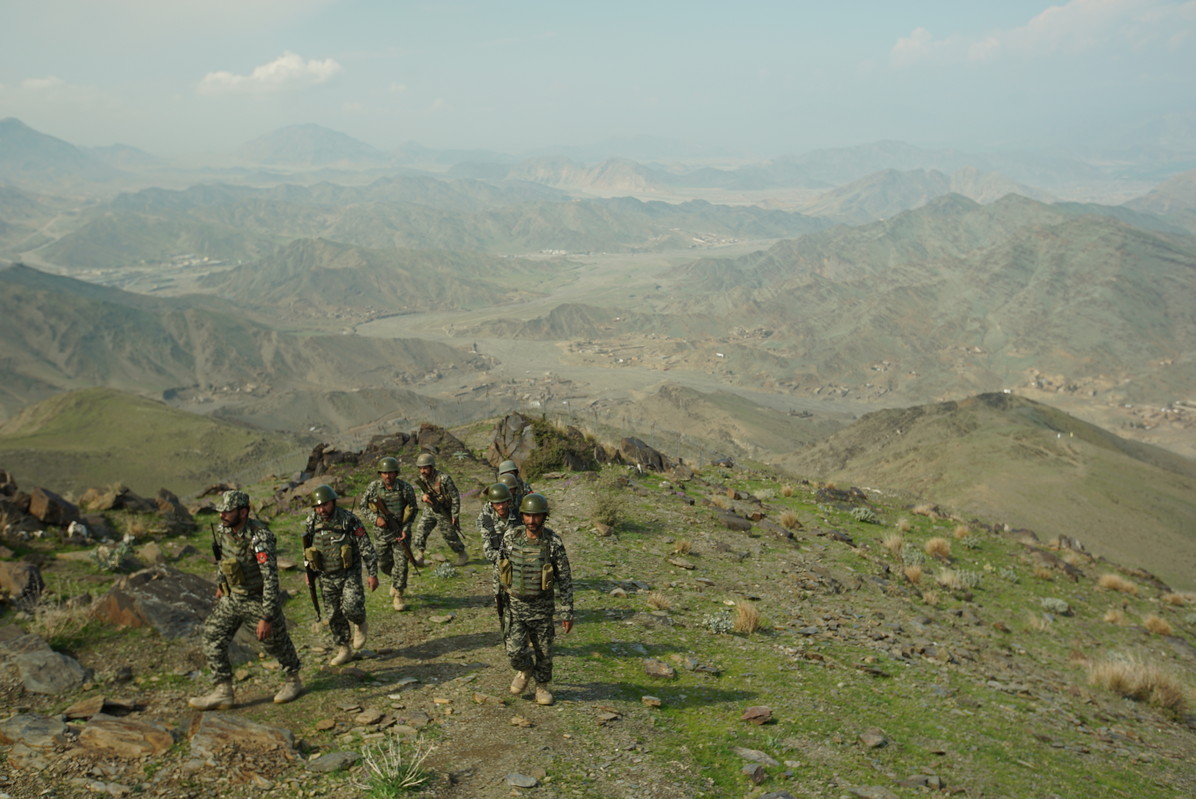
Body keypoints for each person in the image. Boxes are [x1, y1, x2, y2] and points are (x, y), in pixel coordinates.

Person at [189, 490, 302, 709]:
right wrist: (222, 584)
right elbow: (223, 558)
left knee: (275, 642)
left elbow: (270, 579)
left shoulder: (260, 537)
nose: (222, 516)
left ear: (243, 512)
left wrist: (267, 616)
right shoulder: (224, 530)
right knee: (212, 636)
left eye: (227, 512)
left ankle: (293, 681)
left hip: (258, 600)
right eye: (221, 512)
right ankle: (223, 691)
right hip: (233, 597)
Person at [497, 492, 573, 706]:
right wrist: (498, 598)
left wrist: (567, 612)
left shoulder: (553, 542)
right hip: (515, 607)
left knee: (544, 651)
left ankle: (542, 686)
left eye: (537, 516)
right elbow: (500, 568)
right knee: (513, 651)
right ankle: (524, 670)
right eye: (528, 516)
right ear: (522, 516)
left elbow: (565, 579)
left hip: (542, 608)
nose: (532, 521)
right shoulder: (511, 537)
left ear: (544, 516)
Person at [303, 484, 379, 666]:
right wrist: (309, 573)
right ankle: (344, 648)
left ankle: (360, 623)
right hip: (325, 576)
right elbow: (306, 548)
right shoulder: (312, 521)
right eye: (317, 506)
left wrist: (372, 573)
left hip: (348, 573)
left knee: (352, 606)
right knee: (334, 615)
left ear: (333, 502)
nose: (321, 510)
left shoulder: (348, 520)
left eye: (325, 505)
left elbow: (366, 546)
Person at [359, 456, 418, 611]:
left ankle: (399, 593)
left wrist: (406, 529)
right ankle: (395, 579)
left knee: (402, 565)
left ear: (396, 473)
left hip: (400, 533)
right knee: (383, 564)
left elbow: (413, 510)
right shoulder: (374, 487)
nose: (387, 476)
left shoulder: (405, 488)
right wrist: (375, 518)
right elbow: (363, 506)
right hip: (381, 534)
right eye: (384, 473)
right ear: (380, 474)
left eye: (390, 473)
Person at [412, 452, 467, 566]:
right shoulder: (422, 479)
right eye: (420, 468)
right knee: (420, 531)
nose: (423, 471)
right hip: (430, 509)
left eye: (425, 468)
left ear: (432, 467)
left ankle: (462, 554)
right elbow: (421, 493)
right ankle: (420, 555)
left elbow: (455, 497)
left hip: (444, 511)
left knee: (449, 535)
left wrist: (455, 515)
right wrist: (423, 498)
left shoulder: (444, 479)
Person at [477, 481, 518, 635]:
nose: (501, 507)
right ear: (492, 504)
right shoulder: (487, 521)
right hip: (500, 570)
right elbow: (489, 553)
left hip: (521, 568)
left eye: (503, 503)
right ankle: (507, 633)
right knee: (502, 604)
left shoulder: (519, 518)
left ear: (508, 501)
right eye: (497, 504)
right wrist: (507, 554)